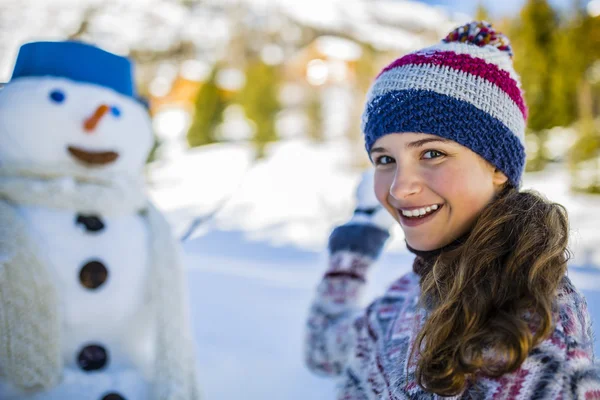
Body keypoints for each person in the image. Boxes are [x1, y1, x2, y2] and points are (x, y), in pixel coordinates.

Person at [305, 21, 600, 399]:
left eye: (432, 153)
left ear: (497, 167)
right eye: (384, 159)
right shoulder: (415, 287)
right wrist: (356, 243)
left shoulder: (531, 330)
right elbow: (328, 351)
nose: (399, 187)